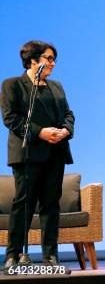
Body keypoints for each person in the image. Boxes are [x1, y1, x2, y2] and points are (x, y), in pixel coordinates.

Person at [1, 41, 75, 269]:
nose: (52, 63)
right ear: (33, 60)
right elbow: (11, 119)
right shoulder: (13, 85)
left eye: (54, 59)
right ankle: (13, 255)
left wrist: (66, 130)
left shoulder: (57, 87)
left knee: (51, 205)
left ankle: (50, 256)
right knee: (23, 205)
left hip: (55, 153)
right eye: (48, 58)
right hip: (28, 154)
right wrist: (40, 132)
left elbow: (68, 114)